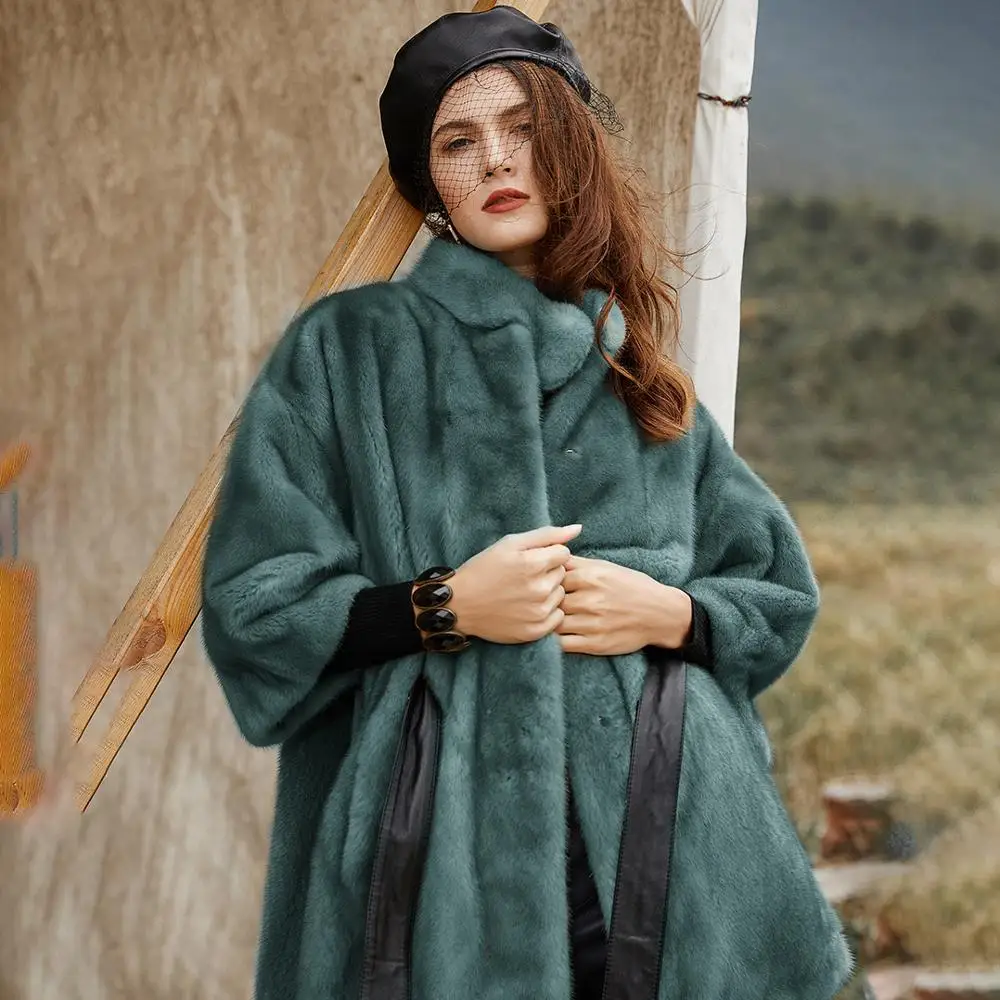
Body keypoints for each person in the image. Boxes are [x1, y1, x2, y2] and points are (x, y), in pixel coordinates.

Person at [200, 7, 854, 1000]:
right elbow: (255, 608)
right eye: (457, 142)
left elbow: (774, 586)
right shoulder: (348, 349)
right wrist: (440, 606)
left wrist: (673, 614)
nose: (497, 160)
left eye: (521, 128)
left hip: (666, 838)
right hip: (438, 855)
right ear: (429, 186)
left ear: (568, 147)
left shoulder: (632, 365)